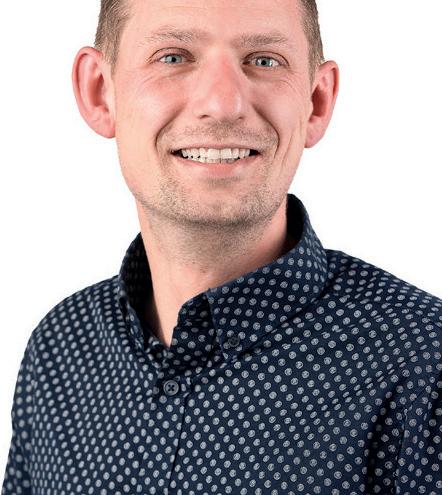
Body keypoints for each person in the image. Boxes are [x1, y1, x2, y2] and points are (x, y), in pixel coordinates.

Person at [2, 0, 441, 493]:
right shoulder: (60, 349)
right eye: (173, 57)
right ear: (99, 92)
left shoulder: (425, 367)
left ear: (316, 101)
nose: (223, 102)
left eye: (264, 60)